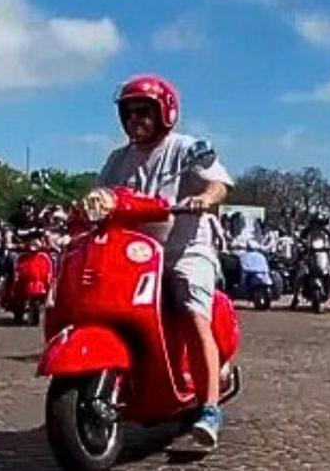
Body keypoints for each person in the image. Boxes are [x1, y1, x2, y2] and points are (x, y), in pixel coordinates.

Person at [97, 74, 232, 450]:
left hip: (183, 249)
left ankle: (208, 409)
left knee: (192, 311)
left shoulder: (188, 148)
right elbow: (99, 196)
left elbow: (219, 184)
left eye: (143, 111)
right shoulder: (117, 159)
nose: (134, 119)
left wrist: (205, 196)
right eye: (128, 112)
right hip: (132, 253)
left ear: (165, 112)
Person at [290, 213, 330, 310]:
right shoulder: (307, 231)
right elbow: (300, 239)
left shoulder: (327, 231)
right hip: (309, 257)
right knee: (301, 275)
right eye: (315, 223)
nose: (317, 225)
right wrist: (301, 245)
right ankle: (295, 298)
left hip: (323, 256)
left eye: (319, 223)